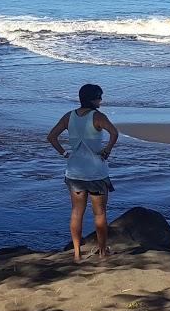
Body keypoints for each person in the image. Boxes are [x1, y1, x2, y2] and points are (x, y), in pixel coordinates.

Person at [47, 83, 119, 261]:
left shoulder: (68, 116)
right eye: (99, 97)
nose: (101, 100)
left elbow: (51, 137)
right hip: (96, 173)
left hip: (74, 171)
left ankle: (77, 253)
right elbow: (114, 133)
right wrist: (107, 150)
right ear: (92, 99)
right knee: (100, 213)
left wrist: (65, 153)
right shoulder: (98, 116)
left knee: (77, 212)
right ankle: (102, 252)